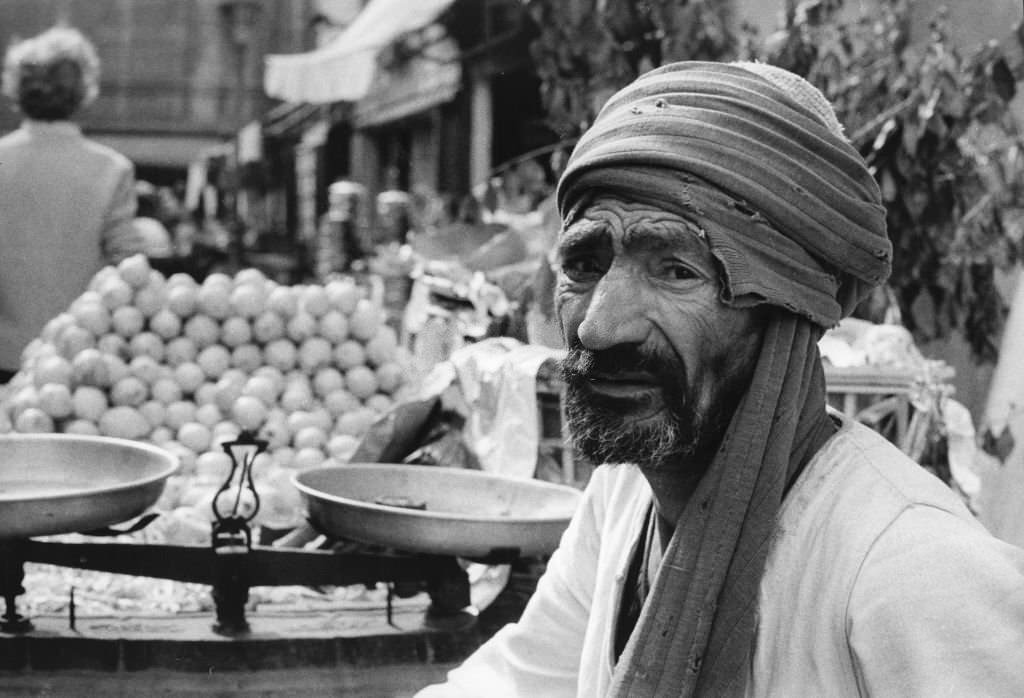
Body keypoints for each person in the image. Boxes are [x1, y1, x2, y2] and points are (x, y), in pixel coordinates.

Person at [417, 61, 1024, 697]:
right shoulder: (623, 501)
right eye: (585, 264)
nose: (599, 328)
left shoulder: (915, 571)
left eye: (676, 270)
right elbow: (520, 681)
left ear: (790, 307)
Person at [0, 26, 141, 382]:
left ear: (15, 90)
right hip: (77, 360)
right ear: (83, 93)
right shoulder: (112, 170)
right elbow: (131, 268)